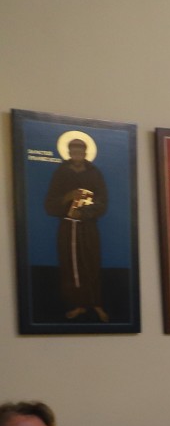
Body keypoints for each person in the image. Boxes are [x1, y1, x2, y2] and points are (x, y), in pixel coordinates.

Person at [43, 136, 110, 321]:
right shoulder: (61, 173)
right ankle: (75, 305)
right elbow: (49, 204)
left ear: (86, 153)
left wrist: (86, 213)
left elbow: (102, 201)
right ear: (69, 153)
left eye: (80, 151)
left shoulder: (94, 173)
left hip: (88, 227)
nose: (77, 154)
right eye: (73, 151)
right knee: (69, 265)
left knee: (91, 262)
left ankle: (96, 303)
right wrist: (67, 197)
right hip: (67, 226)